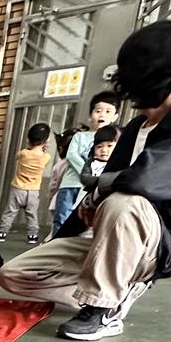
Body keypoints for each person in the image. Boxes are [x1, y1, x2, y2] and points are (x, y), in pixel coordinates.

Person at [0, 19, 171, 341]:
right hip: (108, 241)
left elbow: (145, 178)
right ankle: (115, 291)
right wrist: (60, 238)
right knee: (13, 275)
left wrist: (100, 190)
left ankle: (103, 311)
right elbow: (97, 193)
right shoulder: (134, 128)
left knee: (124, 201)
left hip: (159, 246)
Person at [52, 91, 122, 235]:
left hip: (94, 189)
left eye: (108, 111)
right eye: (98, 111)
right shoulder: (80, 136)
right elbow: (72, 155)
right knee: (62, 218)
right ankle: (57, 244)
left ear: (115, 117)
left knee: (87, 222)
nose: (102, 115)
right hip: (71, 184)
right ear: (90, 115)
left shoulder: (116, 139)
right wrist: (87, 173)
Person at [0, 122, 52, 245]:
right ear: (46, 141)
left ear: (28, 139)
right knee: (32, 214)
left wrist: (29, 147)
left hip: (18, 189)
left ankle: (2, 234)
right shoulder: (46, 157)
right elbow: (43, 159)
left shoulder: (24, 153)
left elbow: (17, 156)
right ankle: (33, 236)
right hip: (33, 192)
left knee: (10, 212)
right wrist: (43, 149)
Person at [78, 125, 119, 196]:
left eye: (109, 146)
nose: (104, 150)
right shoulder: (92, 162)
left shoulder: (118, 163)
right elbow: (84, 178)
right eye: (99, 146)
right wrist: (103, 181)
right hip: (90, 196)